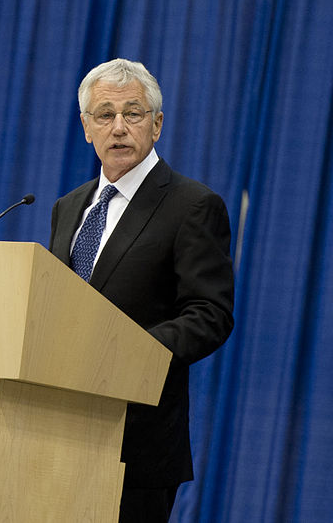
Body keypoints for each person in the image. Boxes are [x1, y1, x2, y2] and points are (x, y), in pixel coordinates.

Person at [49, 58, 234, 522]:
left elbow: (209, 313)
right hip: (53, 432)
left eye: (132, 114)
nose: (118, 128)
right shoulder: (68, 208)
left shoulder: (192, 205)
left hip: (138, 442)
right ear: (86, 128)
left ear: (157, 124)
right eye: (104, 115)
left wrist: (127, 354)